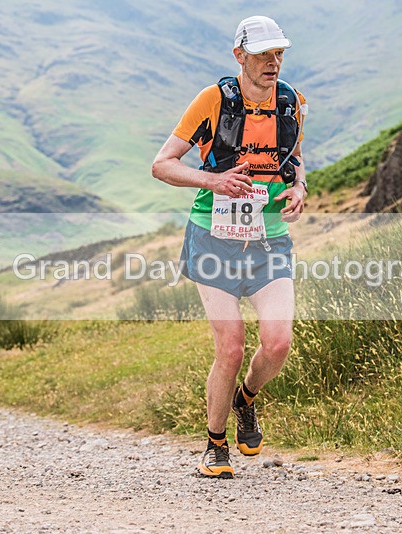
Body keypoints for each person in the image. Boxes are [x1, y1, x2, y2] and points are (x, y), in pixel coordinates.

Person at [151, 15, 308, 479]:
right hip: (212, 236)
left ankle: (247, 400)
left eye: (278, 53)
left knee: (278, 344)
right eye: (262, 54)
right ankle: (215, 443)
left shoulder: (292, 103)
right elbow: (162, 165)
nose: (272, 62)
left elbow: (293, 158)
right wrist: (213, 180)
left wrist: (299, 187)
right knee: (232, 347)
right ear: (239, 56)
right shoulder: (212, 100)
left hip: (269, 236)